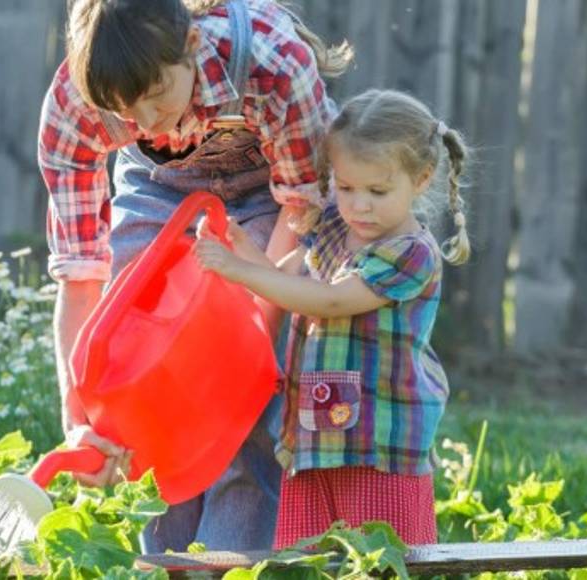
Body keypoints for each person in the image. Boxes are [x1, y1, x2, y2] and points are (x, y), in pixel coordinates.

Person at [39, 0, 351, 553]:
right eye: (124, 111)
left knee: (244, 407)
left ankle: (228, 560)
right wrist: (78, 413)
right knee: (139, 376)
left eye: (157, 97)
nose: (146, 122)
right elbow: (81, 274)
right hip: (158, 185)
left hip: (269, 194)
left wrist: (249, 345)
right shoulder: (75, 108)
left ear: (189, 45)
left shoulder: (272, 60)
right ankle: (162, 560)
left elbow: (302, 204)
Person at [193, 88, 471, 546]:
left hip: (378, 449)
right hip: (314, 440)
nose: (359, 205)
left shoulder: (410, 254)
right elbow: (285, 280)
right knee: (308, 563)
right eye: (345, 187)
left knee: (381, 563)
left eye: (377, 191)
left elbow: (330, 301)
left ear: (421, 179)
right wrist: (239, 246)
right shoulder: (335, 230)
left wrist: (238, 270)